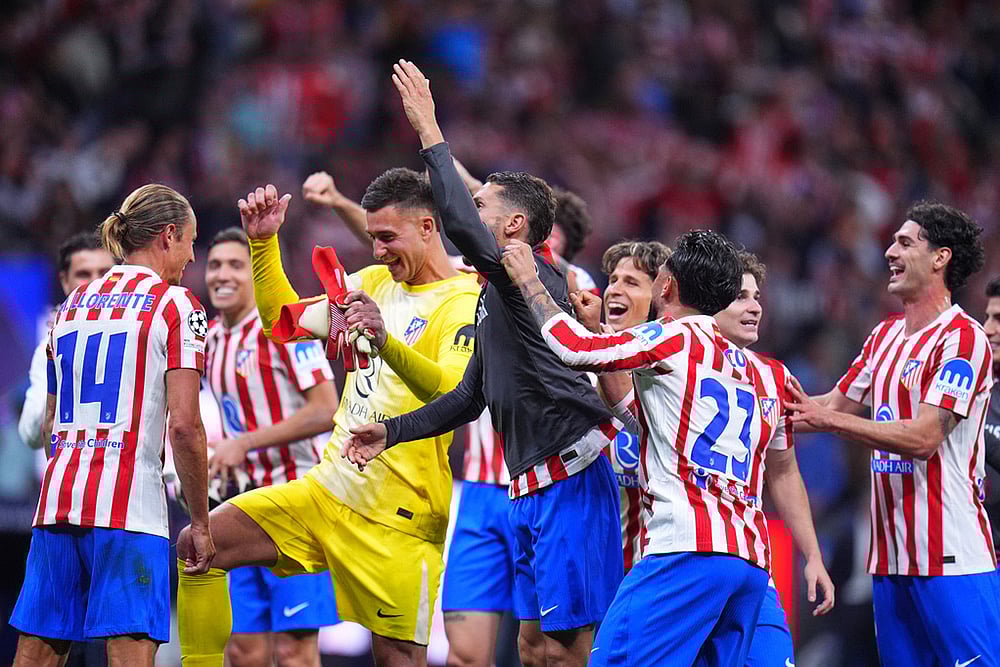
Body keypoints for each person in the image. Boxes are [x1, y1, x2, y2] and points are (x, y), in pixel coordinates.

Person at [346, 60, 623, 667]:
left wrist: (428, 126)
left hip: (571, 479)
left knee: (568, 650)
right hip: (527, 487)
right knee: (532, 649)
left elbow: (468, 235)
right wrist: (389, 431)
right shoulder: (498, 294)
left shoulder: (531, 278)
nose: (470, 213)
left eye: (483, 205)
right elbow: (470, 397)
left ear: (515, 226)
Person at [176, 170, 480, 667]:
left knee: (398, 660)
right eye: (372, 237)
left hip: (399, 517)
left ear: (428, 227)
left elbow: (454, 393)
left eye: (387, 237)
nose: (377, 250)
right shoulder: (372, 282)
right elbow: (283, 323)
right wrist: (263, 246)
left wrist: (386, 343)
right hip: (324, 491)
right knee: (198, 543)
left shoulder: (463, 302)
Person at [477, 227, 789, 666]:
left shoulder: (674, 336)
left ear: (668, 286)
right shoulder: (757, 371)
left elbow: (574, 349)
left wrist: (529, 280)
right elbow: (642, 419)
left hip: (685, 549)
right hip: (750, 560)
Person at [785, 202, 1000, 666]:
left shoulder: (963, 339)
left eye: (905, 242)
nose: (889, 252)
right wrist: (762, 404)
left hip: (951, 559)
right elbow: (830, 405)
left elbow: (924, 437)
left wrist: (829, 422)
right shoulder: (884, 336)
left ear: (940, 257)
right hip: (889, 561)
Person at [10, 184, 214, 666]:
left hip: (58, 504)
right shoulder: (177, 305)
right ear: (168, 235)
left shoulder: (72, 304)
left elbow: (50, 422)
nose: (191, 256)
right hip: (131, 512)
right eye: (190, 241)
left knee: (35, 657)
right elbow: (184, 427)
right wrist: (201, 522)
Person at [201, 227, 340, 667]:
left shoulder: (285, 326)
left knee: (294, 650)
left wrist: (244, 443)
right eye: (215, 264)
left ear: (254, 274)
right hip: (240, 508)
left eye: (236, 265)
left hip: (295, 507)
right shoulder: (211, 339)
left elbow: (325, 409)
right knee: (242, 651)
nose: (223, 275)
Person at [19, 232, 114, 450]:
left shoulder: (141, 337)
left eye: (105, 273)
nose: (95, 283)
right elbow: (30, 434)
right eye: (83, 274)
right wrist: (62, 359)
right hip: (71, 478)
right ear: (64, 281)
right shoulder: (48, 349)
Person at [981, 276, 1000, 558]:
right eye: (987, 317)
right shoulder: (980, 392)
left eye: (998, 319)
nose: (987, 329)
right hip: (980, 564)